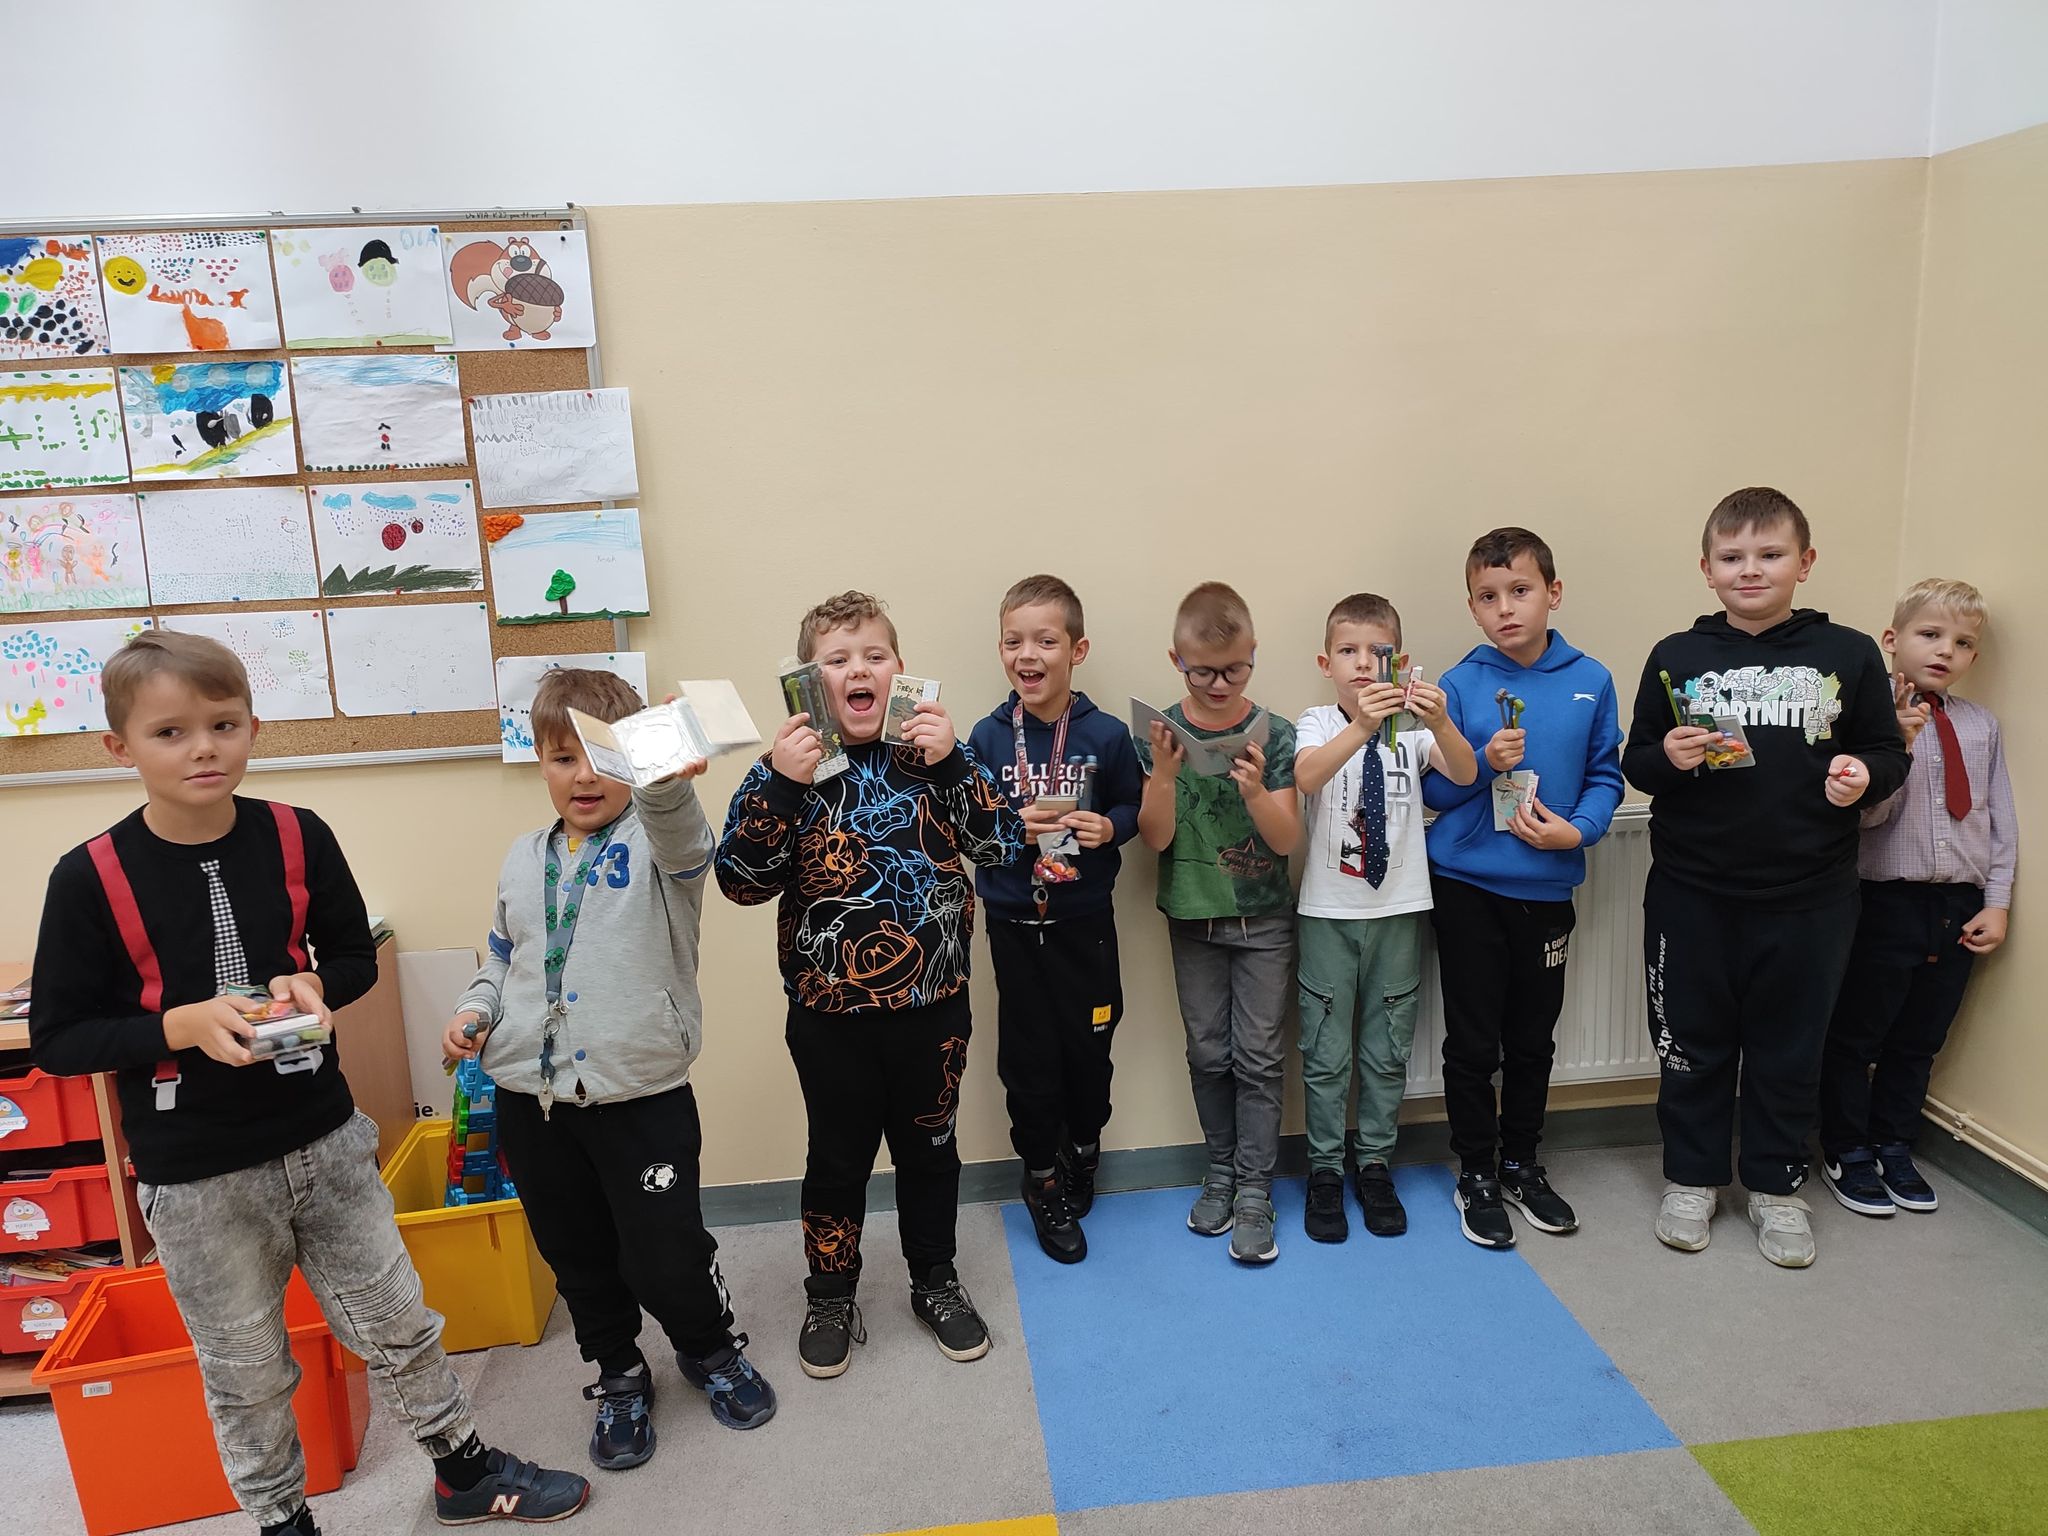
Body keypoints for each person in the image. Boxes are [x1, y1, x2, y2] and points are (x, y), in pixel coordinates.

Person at [28, 632, 588, 1536]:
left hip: (324, 1141)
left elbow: (354, 956)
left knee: (401, 1321)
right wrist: (178, 1026)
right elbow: (58, 1037)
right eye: (170, 732)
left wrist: (316, 983)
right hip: (198, 1177)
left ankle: (462, 1472)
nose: (203, 748)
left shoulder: (297, 834)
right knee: (246, 1369)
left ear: (253, 727)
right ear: (119, 747)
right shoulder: (89, 877)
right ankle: (283, 1521)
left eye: (224, 724)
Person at [444, 670, 774, 1473]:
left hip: (641, 1093)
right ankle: (620, 1373)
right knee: (577, 1253)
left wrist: (663, 777)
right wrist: (475, 1011)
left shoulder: (661, 844)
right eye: (564, 758)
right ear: (540, 764)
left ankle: (709, 1347)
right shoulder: (522, 859)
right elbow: (504, 957)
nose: (584, 777)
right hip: (533, 1099)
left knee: (665, 1249)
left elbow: (685, 837)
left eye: (604, 758)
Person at [715, 591, 1026, 1378]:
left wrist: (954, 764)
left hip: (934, 1009)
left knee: (931, 1152)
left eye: (875, 656)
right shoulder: (783, 771)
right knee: (836, 1159)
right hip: (829, 1018)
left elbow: (1002, 847)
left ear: (900, 672)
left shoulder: (941, 759)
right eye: (837, 659)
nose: (858, 669)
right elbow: (740, 882)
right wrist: (782, 786)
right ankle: (830, 1294)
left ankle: (935, 1279)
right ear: (808, 683)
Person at [1623, 487, 1909, 1268]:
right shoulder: (1676, 656)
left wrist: (1863, 775)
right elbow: (1638, 760)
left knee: (1790, 1049)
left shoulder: (1849, 652)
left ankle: (1778, 1186)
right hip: (1692, 894)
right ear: (1707, 569)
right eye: (1733, 557)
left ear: (1804, 563)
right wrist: (1666, 758)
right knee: (1690, 1046)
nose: (1751, 570)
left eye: (1770, 554)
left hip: (1812, 897)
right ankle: (1691, 1178)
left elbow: (1887, 753)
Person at [1422, 529, 1625, 1248]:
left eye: (1520, 591)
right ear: (1472, 608)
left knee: (1532, 1040)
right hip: (1467, 887)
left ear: (1552, 594)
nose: (1505, 608)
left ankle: (1521, 1163)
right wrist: (1481, 758)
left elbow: (1605, 775)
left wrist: (1579, 832)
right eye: (1488, 596)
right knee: (1473, 1041)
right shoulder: (1458, 684)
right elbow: (1435, 794)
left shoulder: (1592, 679)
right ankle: (1476, 1171)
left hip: (1547, 890)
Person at [1818, 578, 2015, 1217]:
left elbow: (1999, 820)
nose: (1945, 651)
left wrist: (1997, 900)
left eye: (1963, 643)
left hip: (1959, 904)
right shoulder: (1865, 721)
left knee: (1921, 1036)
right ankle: (1846, 1147)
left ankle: (1893, 1143)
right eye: (1930, 635)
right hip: (1884, 900)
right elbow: (1861, 819)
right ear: (1892, 639)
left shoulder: (1981, 726)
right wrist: (1897, 745)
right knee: (1858, 1033)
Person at [966, 575, 1145, 1264]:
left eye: (1045, 640)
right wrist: (1008, 827)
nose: (1027, 654)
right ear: (1000, 651)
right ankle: (1041, 1176)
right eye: (1013, 641)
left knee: (1090, 1053)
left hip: (1084, 924)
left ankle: (1084, 1148)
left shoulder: (1106, 734)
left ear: (1078, 650)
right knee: (1029, 1061)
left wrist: (1110, 826)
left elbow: (1131, 806)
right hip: (1015, 926)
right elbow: (970, 828)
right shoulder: (987, 737)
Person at [1293, 593, 1477, 1242]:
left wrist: (1441, 722)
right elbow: (1308, 777)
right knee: (1324, 1052)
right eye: (1348, 651)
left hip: (1399, 909)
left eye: (1378, 652)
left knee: (1387, 1049)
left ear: (1399, 661)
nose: (1363, 664)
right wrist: (1362, 727)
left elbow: (1465, 772)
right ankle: (1324, 1169)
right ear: (1326, 663)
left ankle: (1374, 1164)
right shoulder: (1318, 722)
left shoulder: (1414, 730)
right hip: (1328, 913)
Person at [1136, 581, 1299, 1264]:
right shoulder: (1160, 733)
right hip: (1193, 919)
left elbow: (1287, 840)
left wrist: (1255, 790)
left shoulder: (1277, 734)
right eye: (1202, 672)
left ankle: (1256, 1189)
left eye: (1235, 670)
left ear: (1253, 652)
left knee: (1260, 1059)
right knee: (1208, 1053)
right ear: (1177, 659)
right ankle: (1222, 1171)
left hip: (1264, 921)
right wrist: (1163, 775)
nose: (1219, 684)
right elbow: (1155, 839)